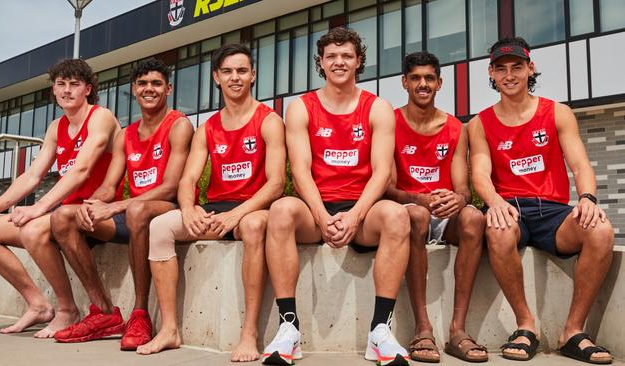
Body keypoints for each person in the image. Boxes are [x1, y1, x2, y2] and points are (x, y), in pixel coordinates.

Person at [262, 27, 411, 366]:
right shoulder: (301, 107)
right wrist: (321, 216)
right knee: (282, 209)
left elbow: (382, 173)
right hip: (317, 209)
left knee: (398, 215)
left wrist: (355, 215)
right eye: (332, 56)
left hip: (361, 212)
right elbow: (299, 171)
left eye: (347, 55)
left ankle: (380, 331)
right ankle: (289, 328)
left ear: (359, 61)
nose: (339, 61)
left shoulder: (378, 108)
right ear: (321, 63)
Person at [136, 44, 286, 363]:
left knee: (256, 225)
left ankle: (249, 333)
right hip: (216, 209)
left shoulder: (269, 120)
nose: (235, 78)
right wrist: (189, 208)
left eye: (242, 71)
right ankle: (170, 329)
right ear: (216, 77)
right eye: (228, 72)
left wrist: (236, 215)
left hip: (251, 208)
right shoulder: (208, 128)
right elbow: (188, 180)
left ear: (253, 75)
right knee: (161, 226)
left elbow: (276, 183)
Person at [468, 37, 614, 364]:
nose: (509, 75)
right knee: (499, 230)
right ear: (491, 74)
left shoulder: (557, 112)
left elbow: (580, 165)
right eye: (501, 69)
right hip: (511, 209)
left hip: (554, 212)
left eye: (517, 67)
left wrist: (588, 198)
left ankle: (573, 332)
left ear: (529, 68)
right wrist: (494, 202)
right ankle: (525, 326)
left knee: (601, 231)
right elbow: (480, 174)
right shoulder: (479, 123)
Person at [48, 58, 193, 350]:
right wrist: (92, 204)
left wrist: (115, 207)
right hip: (131, 216)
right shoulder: (125, 134)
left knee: (137, 210)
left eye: (156, 83)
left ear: (168, 88)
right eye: (142, 84)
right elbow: (108, 186)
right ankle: (103, 312)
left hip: (166, 211)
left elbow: (170, 187)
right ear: (134, 89)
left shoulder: (179, 125)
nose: (148, 89)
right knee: (63, 217)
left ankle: (139, 314)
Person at [0, 59, 120, 338]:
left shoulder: (100, 116)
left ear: (88, 89)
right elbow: (31, 176)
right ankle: (38, 305)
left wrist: (38, 208)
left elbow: (82, 170)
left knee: (32, 227)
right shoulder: (56, 127)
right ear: (53, 89)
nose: (67, 91)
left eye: (74, 84)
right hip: (63, 214)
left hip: (94, 213)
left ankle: (67, 310)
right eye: (61, 84)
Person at [386, 51, 487, 363]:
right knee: (416, 215)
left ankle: (458, 330)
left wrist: (457, 199)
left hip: (444, 214)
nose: (422, 84)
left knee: (473, 217)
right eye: (415, 77)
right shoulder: (389, 121)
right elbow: (387, 186)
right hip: (409, 211)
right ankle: (422, 327)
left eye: (429, 78)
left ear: (440, 83)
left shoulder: (457, 127)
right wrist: (418, 200)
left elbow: (462, 189)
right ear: (404, 82)